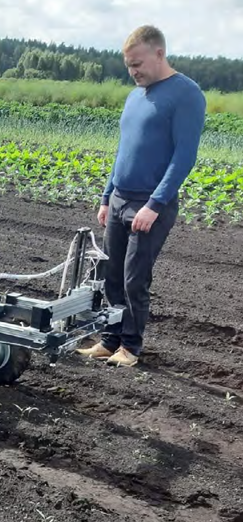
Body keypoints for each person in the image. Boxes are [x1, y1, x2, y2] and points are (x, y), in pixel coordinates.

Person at [77, 25, 206, 367]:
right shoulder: (135, 96)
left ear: (159, 53)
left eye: (138, 64)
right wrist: (107, 196)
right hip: (120, 198)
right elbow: (123, 151)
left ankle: (130, 348)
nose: (133, 71)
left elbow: (184, 157)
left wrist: (154, 204)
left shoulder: (186, 94)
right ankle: (110, 340)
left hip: (150, 205)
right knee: (111, 276)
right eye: (128, 66)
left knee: (135, 278)